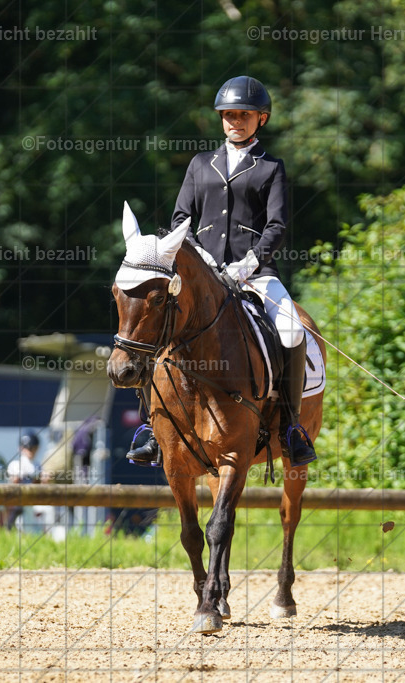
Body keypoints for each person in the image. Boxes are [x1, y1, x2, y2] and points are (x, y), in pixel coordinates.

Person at [126, 75, 317, 468]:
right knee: (158, 325)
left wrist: (251, 261)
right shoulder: (200, 164)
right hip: (204, 274)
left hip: (256, 273)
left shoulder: (271, 168)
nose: (235, 122)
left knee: (293, 330)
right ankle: (150, 425)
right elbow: (181, 219)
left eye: (244, 115)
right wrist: (201, 258)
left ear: (260, 119)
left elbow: (277, 226)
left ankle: (291, 427)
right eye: (229, 115)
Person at [1, 430, 40, 529]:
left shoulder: (37, 466)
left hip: (32, 504)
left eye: (32, 448)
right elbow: (13, 482)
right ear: (20, 448)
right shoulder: (15, 465)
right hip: (17, 504)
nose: (29, 451)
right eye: (27, 448)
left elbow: (39, 484)